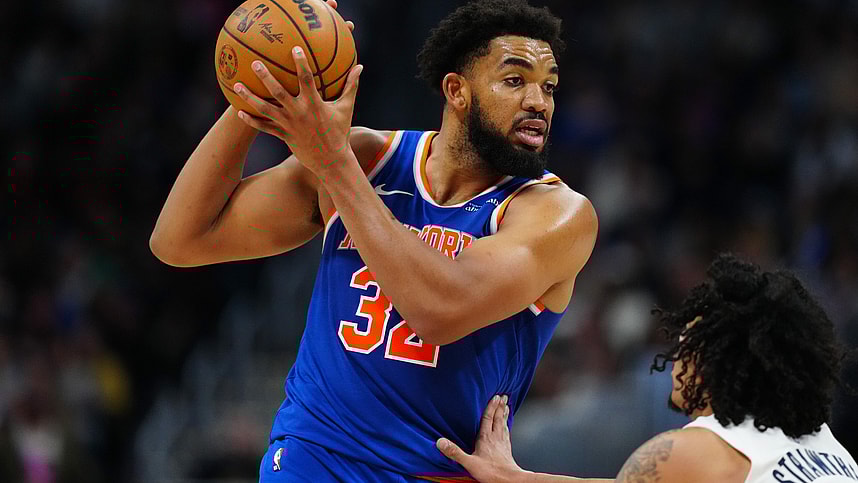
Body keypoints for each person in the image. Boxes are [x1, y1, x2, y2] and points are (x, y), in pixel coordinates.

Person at [149, 0, 597, 480]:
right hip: (310, 455)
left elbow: (436, 309)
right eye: (515, 81)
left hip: (429, 470)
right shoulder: (367, 157)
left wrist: (333, 163)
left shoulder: (556, 213)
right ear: (456, 90)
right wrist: (262, 91)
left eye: (548, 86)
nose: (539, 101)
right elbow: (181, 240)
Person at [437, 254, 858, 483]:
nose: (674, 354)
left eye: (688, 341)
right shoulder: (830, 450)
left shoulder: (689, 452)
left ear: (721, 361)